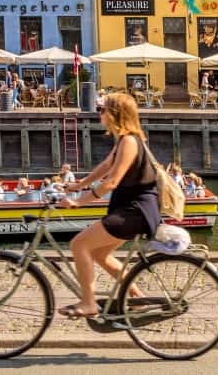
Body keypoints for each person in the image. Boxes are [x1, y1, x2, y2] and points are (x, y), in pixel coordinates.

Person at [56, 92, 160, 319]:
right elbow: (105, 166)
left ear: (115, 114)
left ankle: (88, 303)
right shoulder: (124, 140)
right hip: (131, 210)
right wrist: (79, 185)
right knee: (100, 254)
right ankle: (138, 300)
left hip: (135, 211)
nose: (99, 114)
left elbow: (112, 181)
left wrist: (79, 203)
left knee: (79, 245)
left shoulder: (130, 141)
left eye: (103, 110)